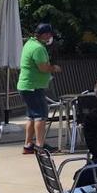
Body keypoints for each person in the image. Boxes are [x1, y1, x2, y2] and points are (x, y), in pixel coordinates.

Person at [17, 23, 62, 154]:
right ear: (46, 35)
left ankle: (28, 145)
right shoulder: (38, 48)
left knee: (31, 116)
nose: (51, 37)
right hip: (33, 87)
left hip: (27, 86)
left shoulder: (30, 44)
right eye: (50, 34)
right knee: (40, 116)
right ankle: (40, 146)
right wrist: (54, 68)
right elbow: (43, 68)